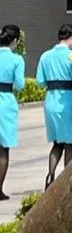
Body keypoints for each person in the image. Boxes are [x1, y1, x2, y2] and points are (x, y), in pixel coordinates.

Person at [36, 24, 72, 189]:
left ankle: (50, 175)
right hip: (68, 102)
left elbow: (40, 81)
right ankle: (68, 181)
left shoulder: (45, 56)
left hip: (51, 101)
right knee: (70, 143)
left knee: (57, 143)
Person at [0, 24, 25, 200]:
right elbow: (20, 84)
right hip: (6, 101)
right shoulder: (16, 60)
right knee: (3, 148)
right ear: (15, 40)